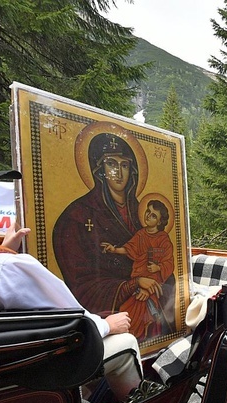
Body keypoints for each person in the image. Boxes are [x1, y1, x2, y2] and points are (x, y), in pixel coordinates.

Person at [0, 139, 145, 402]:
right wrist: (107, 325)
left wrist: (2, 253)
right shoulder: (2, 268)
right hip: (2, 380)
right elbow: (76, 323)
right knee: (126, 342)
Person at [53, 124, 175, 339]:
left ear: (133, 170)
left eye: (124, 165)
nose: (118, 173)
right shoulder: (76, 217)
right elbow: (81, 284)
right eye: (110, 164)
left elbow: (164, 259)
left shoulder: (143, 214)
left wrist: (154, 278)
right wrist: (132, 284)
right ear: (98, 170)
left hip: (151, 302)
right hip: (110, 320)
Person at [101, 199, 175, 339]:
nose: (148, 215)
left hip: (155, 285)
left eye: (153, 215)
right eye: (148, 211)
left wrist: (158, 267)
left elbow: (169, 263)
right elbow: (129, 249)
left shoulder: (163, 239)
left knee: (139, 310)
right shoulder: (141, 234)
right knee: (126, 309)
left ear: (159, 222)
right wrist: (114, 250)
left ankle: (136, 338)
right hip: (138, 281)